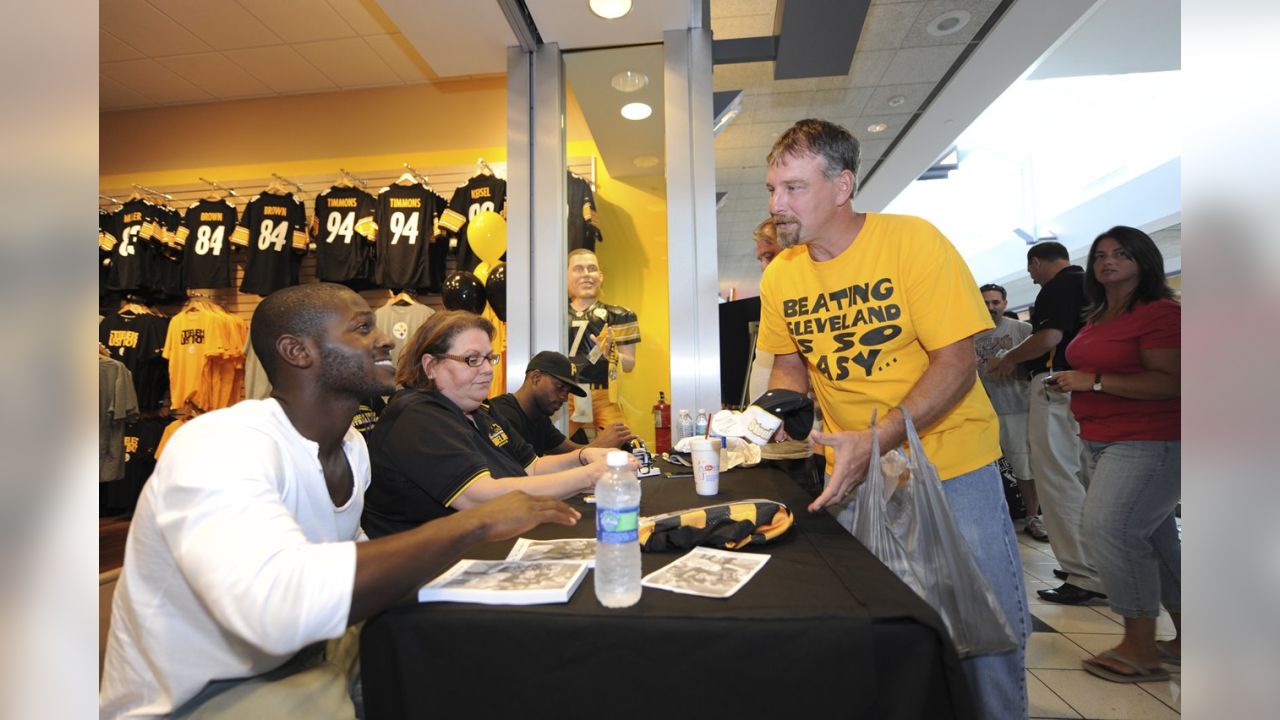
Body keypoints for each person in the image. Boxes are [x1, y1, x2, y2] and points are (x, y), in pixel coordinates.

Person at [99, 283, 580, 718]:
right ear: (298, 351)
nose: (387, 339)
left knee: (483, 662)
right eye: (362, 328)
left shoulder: (351, 447)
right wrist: (470, 525)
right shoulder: (221, 444)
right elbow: (275, 611)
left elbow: (352, 559)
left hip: (318, 651)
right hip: (205, 693)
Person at [757, 119, 1029, 719]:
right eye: (772, 188)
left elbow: (957, 361)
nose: (777, 204)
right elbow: (789, 368)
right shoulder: (782, 274)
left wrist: (876, 438)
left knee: (985, 630)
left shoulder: (913, 243)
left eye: (794, 188)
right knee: (886, 630)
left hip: (950, 464)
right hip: (857, 476)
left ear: (842, 185)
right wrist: (770, 418)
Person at [1043, 226, 1181, 683]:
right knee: (1156, 543)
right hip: (1100, 438)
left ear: (1144, 261)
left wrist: (1093, 380)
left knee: (1110, 530)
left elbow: (1172, 382)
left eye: (1121, 254)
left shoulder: (1160, 313)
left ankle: (1139, 646)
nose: (1107, 262)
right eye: (1100, 254)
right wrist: (1077, 378)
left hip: (1149, 441)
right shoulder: (1100, 315)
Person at [362, 311, 626, 538]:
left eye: (489, 358)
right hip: (425, 575)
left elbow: (531, 467)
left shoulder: (480, 410)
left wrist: (584, 456)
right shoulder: (417, 415)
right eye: (472, 359)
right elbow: (482, 496)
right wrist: (589, 476)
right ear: (431, 365)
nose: (487, 369)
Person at [987, 242, 1107, 605]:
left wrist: (1007, 359)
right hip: (1085, 386)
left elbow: (1049, 338)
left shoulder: (1058, 286)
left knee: (1057, 476)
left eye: (1031, 269)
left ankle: (1083, 573)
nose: (1032, 276)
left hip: (1057, 384)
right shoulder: (1090, 284)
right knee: (1083, 475)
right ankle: (1095, 564)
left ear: (1037, 262)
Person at [975, 283, 1047, 542]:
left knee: (1024, 467)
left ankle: (1032, 517)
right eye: (985, 302)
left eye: (995, 302)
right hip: (983, 413)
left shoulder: (1023, 330)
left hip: (1018, 408)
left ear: (1005, 303)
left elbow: (1039, 367)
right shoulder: (970, 335)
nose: (991, 307)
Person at [488, 350, 636, 456]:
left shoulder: (539, 418)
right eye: (560, 387)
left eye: (567, 391)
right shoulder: (501, 415)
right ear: (536, 378)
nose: (565, 397)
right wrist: (600, 445)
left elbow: (573, 451)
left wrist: (604, 444)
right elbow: (530, 471)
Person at [566, 248, 640, 443]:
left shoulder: (619, 315)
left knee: (624, 447)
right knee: (548, 449)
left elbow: (630, 363)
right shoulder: (554, 317)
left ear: (600, 276)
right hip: (566, 395)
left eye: (591, 268)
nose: (586, 274)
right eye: (578, 269)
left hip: (604, 394)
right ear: (565, 276)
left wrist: (612, 355)